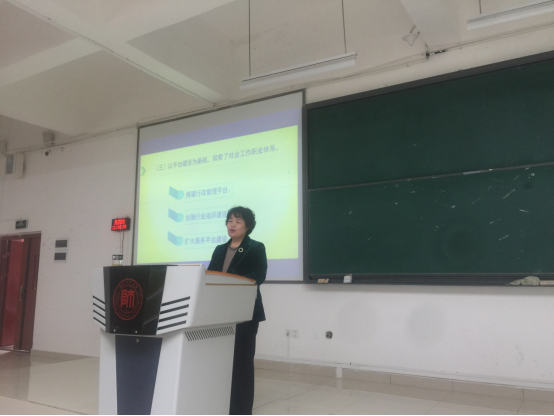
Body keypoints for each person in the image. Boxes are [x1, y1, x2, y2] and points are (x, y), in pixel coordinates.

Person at [207, 206, 267, 415]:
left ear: (247, 226)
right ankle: (221, 404)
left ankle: (241, 410)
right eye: (230, 220)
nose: (232, 224)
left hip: (245, 314)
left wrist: (231, 281)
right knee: (221, 362)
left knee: (242, 363)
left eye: (238, 221)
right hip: (220, 315)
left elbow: (259, 275)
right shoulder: (219, 249)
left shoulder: (256, 248)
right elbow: (210, 277)